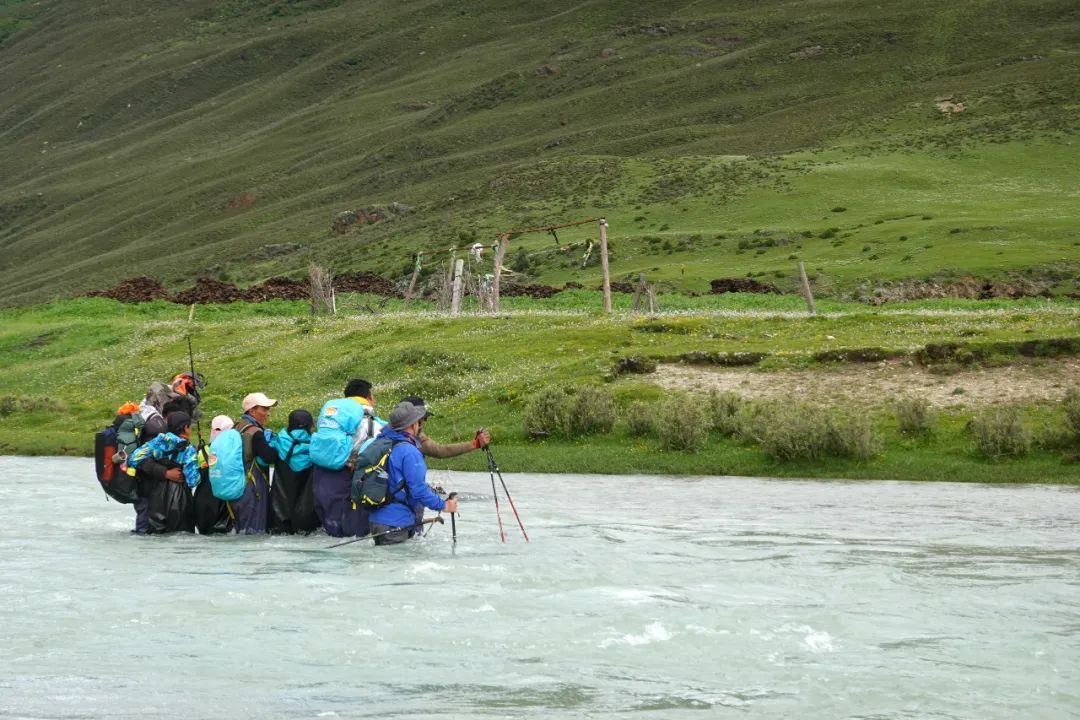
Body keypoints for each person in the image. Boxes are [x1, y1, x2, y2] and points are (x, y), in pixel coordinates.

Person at [367, 401, 457, 546]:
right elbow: (418, 490)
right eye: (419, 422)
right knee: (397, 567)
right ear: (412, 424)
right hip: (396, 523)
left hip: (375, 520)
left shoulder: (380, 442)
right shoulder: (409, 452)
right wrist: (444, 505)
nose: (420, 426)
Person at [311, 379, 385, 537]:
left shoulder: (335, 414)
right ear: (368, 397)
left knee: (329, 522)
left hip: (321, 473)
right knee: (348, 528)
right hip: (346, 474)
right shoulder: (367, 419)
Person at [128, 411, 200, 534]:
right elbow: (193, 481)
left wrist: (163, 472)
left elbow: (133, 459)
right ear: (185, 428)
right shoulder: (188, 450)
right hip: (180, 501)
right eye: (190, 426)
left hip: (156, 500)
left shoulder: (157, 442)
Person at [230, 392, 279, 534]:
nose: (267, 413)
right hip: (252, 486)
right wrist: (275, 443)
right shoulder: (255, 432)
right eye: (264, 409)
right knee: (254, 530)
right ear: (251, 411)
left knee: (240, 528)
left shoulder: (236, 427)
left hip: (236, 483)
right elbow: (270, 457)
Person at [269, 409, 318, 535]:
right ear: (309, 425)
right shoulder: (315, 445)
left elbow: (262, 460)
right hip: (307, 517)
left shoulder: (278, 441)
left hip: (279, 515)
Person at [402, 396, 490, 460]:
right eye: (423, 418)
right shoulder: (412, 438)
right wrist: (475, 444)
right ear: (414, 421)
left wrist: (475, 444)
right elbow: (440, 451)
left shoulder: (391, 431)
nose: (424, 422)